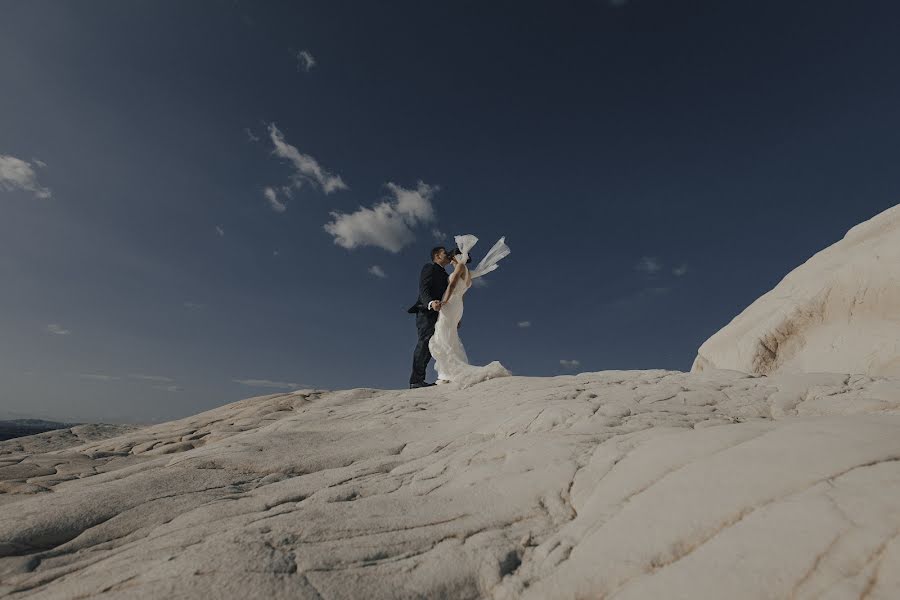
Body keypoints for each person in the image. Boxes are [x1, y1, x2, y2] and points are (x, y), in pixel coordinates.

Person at [427, 234, 512, 388]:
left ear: (455, 258)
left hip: (451, 303)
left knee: (442, 335)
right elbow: (463, 295)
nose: (449, 259)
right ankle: (446, 374)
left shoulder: (459, 268)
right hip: (458, 306)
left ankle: (447, 374)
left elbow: (452, 286)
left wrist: (444, 301)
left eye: (450, 257)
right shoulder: (469, 274)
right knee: (450, 336)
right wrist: (460, 317)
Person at [407, 246, 451, 388]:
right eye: (445, 253)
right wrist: (431, 303)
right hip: (426, 312)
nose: (448, 255)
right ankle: (416, 381)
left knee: (435, 345)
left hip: (440, 314)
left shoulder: (446, 276)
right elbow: (423, 289)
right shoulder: (429, 268)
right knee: (424, 342)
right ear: (437, 256)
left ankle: (425, 379)